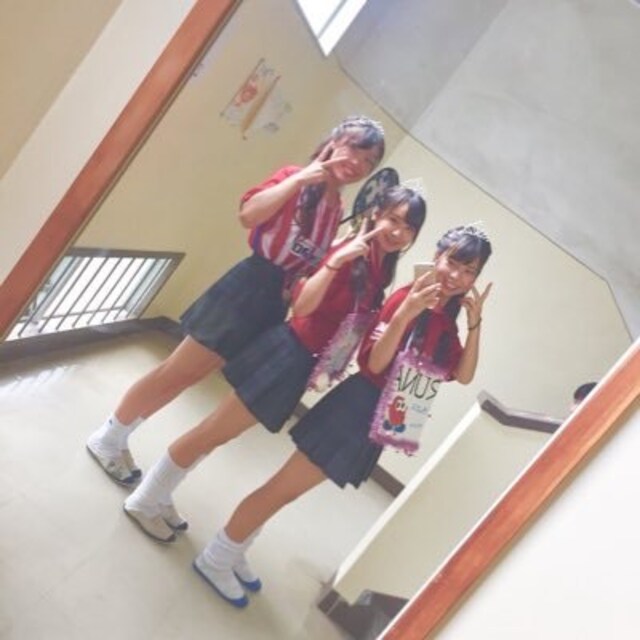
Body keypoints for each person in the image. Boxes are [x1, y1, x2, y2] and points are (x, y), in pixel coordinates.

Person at [189, 224, 493, 607]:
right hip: (356, 407)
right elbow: (374, 363)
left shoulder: (446, 322)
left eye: (469, 271)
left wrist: (475, 322)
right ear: (437, 256)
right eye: (453, 262)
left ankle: (234, 548)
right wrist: (406, 314)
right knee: (282, 488)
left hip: (381, 419)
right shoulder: (406, 298)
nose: (456, 276)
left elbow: (463, 375)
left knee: (288, 493)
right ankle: (216, 557)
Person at [122, 186, 427, 554]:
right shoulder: (351, 251)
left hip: (302, 362)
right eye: (393, 219)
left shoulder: (379, 268)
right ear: (376, 213)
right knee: (213, 430)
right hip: (287, 353)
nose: (398, 232)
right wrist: (336, 261)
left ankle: (161, 491)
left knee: (220, 434)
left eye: (408, 227)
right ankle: (145, 498)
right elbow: (303, 306)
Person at [86, 116, 386, 486]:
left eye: (369, 161)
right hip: (247, 285)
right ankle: (109, 436)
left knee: (192, 376)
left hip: (272, 302)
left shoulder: (336, 208)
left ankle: (118, 437)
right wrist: (299, 179)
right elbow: (248, 215)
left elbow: (306, 264)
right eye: (355, 148)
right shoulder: (295, 177)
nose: (358, 162)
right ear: (335, 140)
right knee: (177, 371)